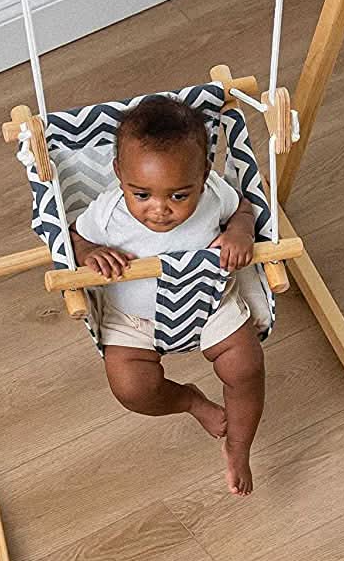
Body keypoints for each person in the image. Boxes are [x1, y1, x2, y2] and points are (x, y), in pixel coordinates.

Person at [71, 95, 266, 495]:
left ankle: (239, 446)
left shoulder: (214, 193)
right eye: (141, 194)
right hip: (132, 318)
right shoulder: (108, 211)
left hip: (210, 301)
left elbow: (242, 208)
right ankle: (191, 401)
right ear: (119, 173)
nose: (159, 209)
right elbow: (74, 236)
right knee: (132, 389)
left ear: (204, 174)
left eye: (178, 195)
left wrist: (240, 231)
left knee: (246, 368)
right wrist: (89, 251)